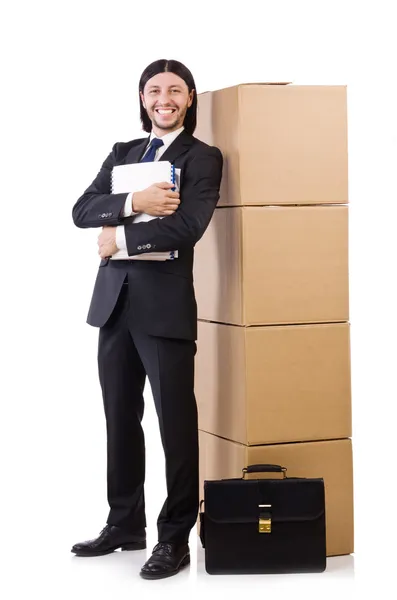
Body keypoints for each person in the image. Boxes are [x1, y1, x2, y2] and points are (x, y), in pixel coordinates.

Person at [70, 59, 223, 580]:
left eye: (175, 90)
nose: (164, 98)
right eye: (154, 90)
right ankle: (124, 523)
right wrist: (135, 199)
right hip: (115, 304)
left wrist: (123, 238)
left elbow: (188, 225)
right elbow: (82, 209)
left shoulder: (203, 157)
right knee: (120, 418)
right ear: (142, 98)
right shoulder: (123, 154)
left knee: (175, 426)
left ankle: (175, 536)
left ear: (189, 98)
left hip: (165, 310)